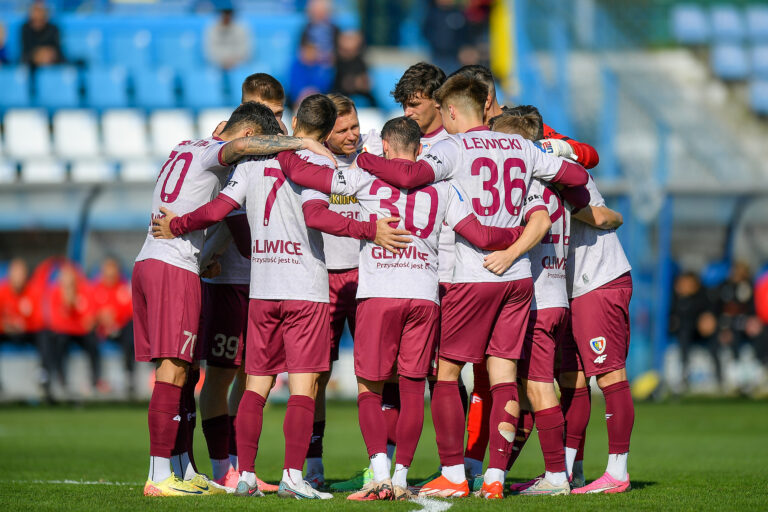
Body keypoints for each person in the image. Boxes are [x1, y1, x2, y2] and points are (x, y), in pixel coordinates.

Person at [151, 94, 410, 500]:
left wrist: (179, 223)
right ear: (324, 132)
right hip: (305, 287)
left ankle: (246, 473)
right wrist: (369, 228)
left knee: (256, 385)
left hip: (263, 288)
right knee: (305, 386)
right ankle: (293, 474)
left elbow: (219, 207)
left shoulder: (253, 163)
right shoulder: (318, 161)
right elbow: (316, 214)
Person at [354, 73, 589, 499]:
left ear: (453, 111)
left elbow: (408, 177)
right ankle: (495, 478)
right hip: (517, 277)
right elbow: (574, 176)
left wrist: (367, 161)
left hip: (472, 276)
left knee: (446, 374)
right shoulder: (522, 146)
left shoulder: (453, 147)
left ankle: (454, 474)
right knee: (504, 376)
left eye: (444, 112)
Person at [134, 101, 336, 497]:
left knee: (185, 369)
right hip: (174, 263)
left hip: (152, 261)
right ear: (248, 135)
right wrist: (301, 143)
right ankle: (159, 476)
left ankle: (181, 466)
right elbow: (236, 153)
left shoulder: (183, 147)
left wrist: (207, 254)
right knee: (174, 370)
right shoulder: (221, 151)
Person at [331, 116, 531, 501]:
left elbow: (322, 197)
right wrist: (520, 234)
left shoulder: (362, 178)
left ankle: (379, 476)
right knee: (411, 389)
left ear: (385, 148)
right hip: (424, 296)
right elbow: (482, 235)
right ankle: (403, 479)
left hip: (378, 292)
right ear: (422, 150)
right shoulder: (445, 189)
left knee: (370, 390)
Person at [199, 73, 289, 494]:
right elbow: (222, 208)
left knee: (256, 377)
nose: (275, 124)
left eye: (279, 114)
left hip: (268, 280)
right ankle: (222, 466)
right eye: (266, 115)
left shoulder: (284, 143)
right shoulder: (226, 146)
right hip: (232, 278)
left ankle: (241, 463)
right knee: (221, 374)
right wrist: (209, 253)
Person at [313, 93, 382, 492]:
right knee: (316, 375)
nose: (353, 135)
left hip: (371, 276)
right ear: (324, 132)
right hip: (323, 277)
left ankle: (380, 464)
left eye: (355, 126)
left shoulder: (374, 150)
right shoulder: (311, 162)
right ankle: (313, 463)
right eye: (343, 130)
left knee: (376, 374)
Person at [46, 263, 104, 396]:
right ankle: (61, 379)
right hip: (66, 333)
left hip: (81, 333)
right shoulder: (55, 293)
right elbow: (56, 324)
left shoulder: (85, 291)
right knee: (59, 341)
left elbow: (90, 320)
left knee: (93, 343)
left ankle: (96, 380)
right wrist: (70, 309)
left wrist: (77, 324)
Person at [91, 258, 134, 397]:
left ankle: (128, 375)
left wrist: (115, 319)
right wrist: (101, 317)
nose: (110, 276)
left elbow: (130, 310)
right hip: (101, 330)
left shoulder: (124, 287)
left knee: (131, 334)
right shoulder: (95, 288)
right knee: (89, 340)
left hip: (119, 328)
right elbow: (89, 310)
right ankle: (96, 379)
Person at [332, 30, 376, 107]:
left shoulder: (360, 62)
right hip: (340, 95)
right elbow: (344, 84)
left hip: (361, 95)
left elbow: (366, 84)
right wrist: (356, 82)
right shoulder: (337, 62)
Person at [288, 40, 334, 108]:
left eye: (312, 51)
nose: (309, 54)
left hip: (318, 99)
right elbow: (294, 86)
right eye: (307, 51)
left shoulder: (321, 67)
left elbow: (325, 85)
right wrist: (305, 93)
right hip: (299, 100)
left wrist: (313, 92)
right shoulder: (296, 65)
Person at [204, 6, 252, 70]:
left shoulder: (242, 28)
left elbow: (247, 49)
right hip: (217, 65)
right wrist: (222, 61)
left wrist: (234, 61)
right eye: (224, 13)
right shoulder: (211, 29)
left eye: (228, 13)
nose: (226, 17)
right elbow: (209, 51)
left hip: (238, 65)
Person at [21, 2, 62, 67]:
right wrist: (37, 56)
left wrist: (49, 55)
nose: (37, 15)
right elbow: (25, 52)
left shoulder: (54, 29)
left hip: (53, 64)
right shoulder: (25, 29)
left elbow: (59, 51)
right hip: (31, 66)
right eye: (35, 11)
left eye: (40, 11)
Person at [300, 0, 339, 67]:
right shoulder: (306, 29)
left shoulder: (335, 29)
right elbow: (302, 50)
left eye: (322, 11)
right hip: (311, 66)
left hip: (332, 66)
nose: (318, 14)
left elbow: (339, 50)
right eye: (315, 11)